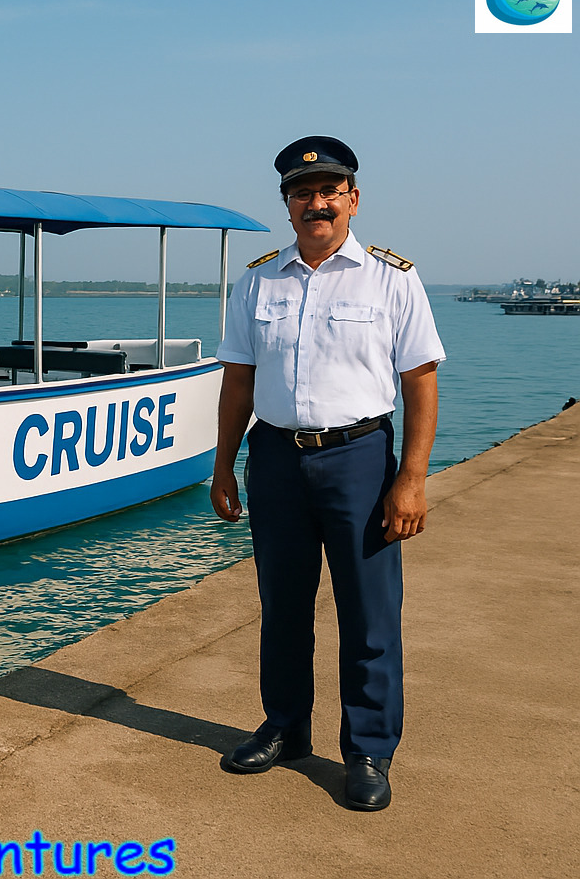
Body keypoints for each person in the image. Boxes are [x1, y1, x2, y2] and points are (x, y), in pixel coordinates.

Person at [210, 136, 444, 811]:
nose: (316, 204)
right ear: (287, 204)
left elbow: (421, 382)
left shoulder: (392, 278)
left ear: (353, 200)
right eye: (302, 193)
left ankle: (369, 749)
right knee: (281, 604)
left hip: (359, 458)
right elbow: (238, 382)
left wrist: (412, 477)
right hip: (276, 457)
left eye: (329, 192)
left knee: (369, 612)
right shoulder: (258, 279)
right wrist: (224, 464)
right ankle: (285, 727)